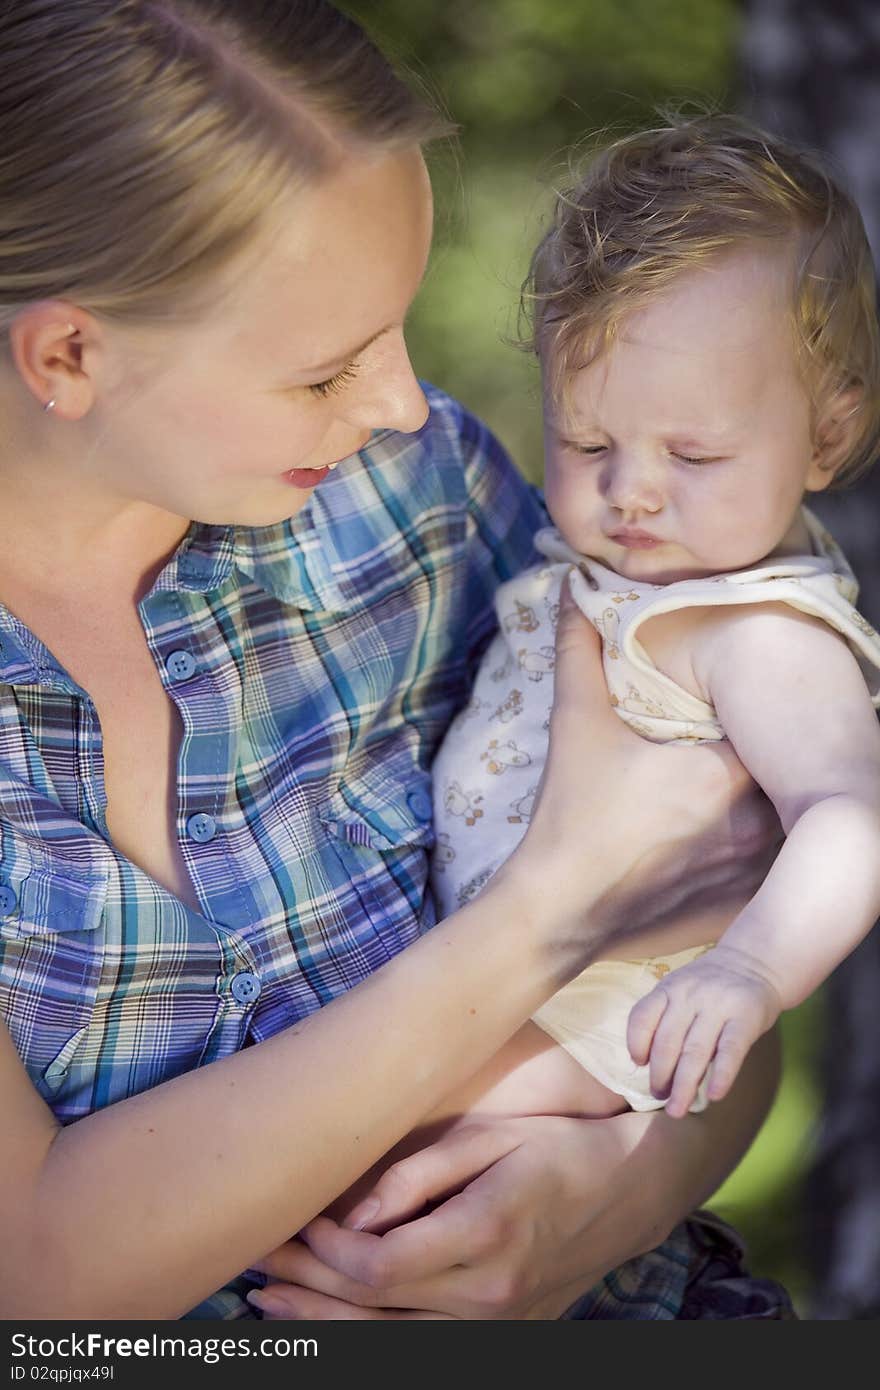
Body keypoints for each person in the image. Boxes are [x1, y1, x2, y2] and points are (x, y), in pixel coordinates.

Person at [0, 3, 788, 1322]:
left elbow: (725, 962)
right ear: (69, 354)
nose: (401, 403)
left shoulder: (421, 498)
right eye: (323, 372)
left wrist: (609, 1194)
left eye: (397, 328)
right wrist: (545, 911)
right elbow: (36, 1280)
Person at [424, 114, 880, 1133]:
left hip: (610, 1015)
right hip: (495, 978)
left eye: (693, 456)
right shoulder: (620, 574)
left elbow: (850, 818)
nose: (630, 491)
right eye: (585, 441)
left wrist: (750, 970)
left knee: (371, 1135)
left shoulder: (759, 632)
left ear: (829, 434)